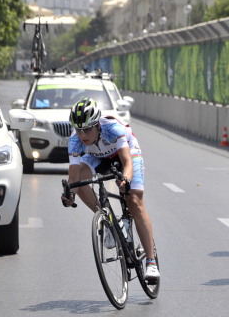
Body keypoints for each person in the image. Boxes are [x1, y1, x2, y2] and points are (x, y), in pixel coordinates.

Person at [60, 97, 159, 281]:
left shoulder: (112, 128)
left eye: (87, 129)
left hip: (125, 153)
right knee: (80, 182)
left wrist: (126, 180)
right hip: (97, 157)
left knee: (134, 201)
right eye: (78, 130)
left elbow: (127, 162)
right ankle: (106, 220)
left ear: (97, 125)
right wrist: (70, 195)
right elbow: (73, 177)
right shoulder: (75, 141)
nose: (83, 135)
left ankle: (151, 262)